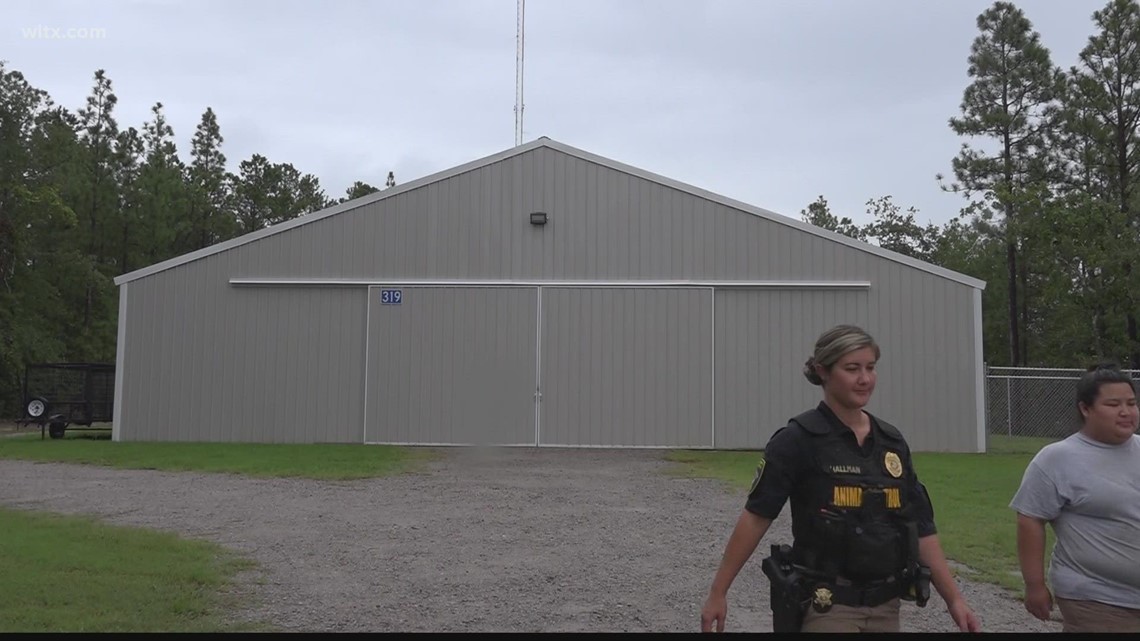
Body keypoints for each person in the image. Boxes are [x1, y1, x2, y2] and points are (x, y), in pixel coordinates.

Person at [699, 324, 981, 633]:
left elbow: (921, 527)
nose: (865, 379)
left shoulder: (891, 443)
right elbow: (756, 517)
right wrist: (718, 591)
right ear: (823, 371)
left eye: (870, 368)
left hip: (886, 608)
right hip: (827, 607)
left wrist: (955, 600)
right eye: (852, 369)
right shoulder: (797, 440)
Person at [1009, 362, 1140, 633]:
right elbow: (1030, 519)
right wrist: (1034, 585)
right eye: (1114, 404)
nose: (1126, 412)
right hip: (1096, 598)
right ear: (1085, 409)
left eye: (1131, 403)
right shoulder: (1057, 458)